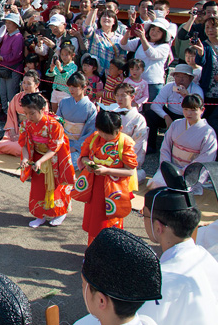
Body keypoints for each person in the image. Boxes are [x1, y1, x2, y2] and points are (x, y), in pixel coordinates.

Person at [137, 162, 218, 324]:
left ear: (158, 227)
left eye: (144, 216)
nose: (143, 219)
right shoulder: (206, 257)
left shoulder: (163, 278)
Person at [73, 228, 163, 325]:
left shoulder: (84, 323)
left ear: (101, 300)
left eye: (83, 284)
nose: (82, 287)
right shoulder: (147, 321)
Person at [76, 110, 138, 244]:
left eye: (109, 133)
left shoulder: (125, 142)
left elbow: (130, 171)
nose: (105, 136)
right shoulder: (94, 137)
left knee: (111, 221)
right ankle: (92, 251)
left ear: (120, 129)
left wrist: (107, 170)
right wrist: (89, 163)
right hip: (95, 187)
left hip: (115, 189)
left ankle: (109, 255)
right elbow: (84, 156)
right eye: (102, 132)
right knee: (95, 222)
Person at [19, 92, 75, 228]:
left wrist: (41, 161)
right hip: (37, 156)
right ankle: (39, 215)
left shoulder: (54, 125)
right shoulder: (26, 124)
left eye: (32, 113)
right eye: (26, 113)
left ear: (42, 110)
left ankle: (60, 213)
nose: (28, 117)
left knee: (56, 187)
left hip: (54, 158)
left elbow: (54, 148)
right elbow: (25, 144)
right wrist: (26, 159)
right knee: (38, 188)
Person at [148, 94, 217, 194]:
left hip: (191, 172)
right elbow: (166, 147)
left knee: (181, 189)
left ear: (202, 110)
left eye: (193, 110)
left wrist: (184, 171)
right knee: (156, 183)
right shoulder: (176, 124)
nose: (189, 113)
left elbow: (206, 157)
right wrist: (167, 167)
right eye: (186, 109)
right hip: (172, 166)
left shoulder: (208, 132)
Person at [145, 64, 204, 151]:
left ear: (191, 79)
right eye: (178, 76)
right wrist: (166, 116)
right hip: (170, 113)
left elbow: (198, 110)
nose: (181, 80)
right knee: (150, 114)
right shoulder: (169, 86)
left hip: (186, 116)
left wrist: (187, 97)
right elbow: (155, 104)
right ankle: (151, 145)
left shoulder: (196, 90)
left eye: (184, 77)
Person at [120, 16, 171, 102]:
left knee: (150, 109)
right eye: (153, 29)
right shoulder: (139, 41)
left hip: (152, 83)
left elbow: (152, 54)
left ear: (163, 34)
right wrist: (127, 34)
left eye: (158, 31)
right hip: (135, 81)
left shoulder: (164, 46)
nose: (154, 32)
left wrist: (143, 38)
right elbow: (124, 45)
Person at [0, 70, 42, 157]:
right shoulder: (18, 97)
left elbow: (40, 124)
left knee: (20, 147)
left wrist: (22, 136)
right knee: (1, 146)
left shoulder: (41, 101)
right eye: (23, 83)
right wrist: (13, 131)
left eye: (29, 83)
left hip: (31, 135)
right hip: (16, 129)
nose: (25, 86)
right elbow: (11, 115)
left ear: (36, 84)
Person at [57, 72, 98, 165]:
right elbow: (58, 123)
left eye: (75, 87)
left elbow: (91, 131)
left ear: (84, 87)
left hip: (79, 145)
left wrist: (76, 147)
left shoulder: (90, 107)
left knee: (70, 162)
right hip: (63, 141)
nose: (71, 89)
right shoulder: (64, 102)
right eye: (70, 86)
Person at [114, 83, 149, 182]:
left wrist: (126, 162)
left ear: (132, 97)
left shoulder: (139, 119)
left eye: (123, 95)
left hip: (127, 158)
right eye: (117, 95)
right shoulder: (111, 114)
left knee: (131, 176)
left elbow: (139, 145)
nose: (119, 99)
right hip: (109, 155)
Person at [46, 44, 78, 112]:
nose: (64, 57)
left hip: (65, 92)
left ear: (73, 55)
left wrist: (60, 68)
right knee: (54, 113)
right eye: (62, 54)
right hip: (55, 90)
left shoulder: (73, 66)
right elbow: (49, 74)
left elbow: (69, 78)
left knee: (64, 113)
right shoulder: (60, 64)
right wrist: (52, 68)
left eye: (66, 55)